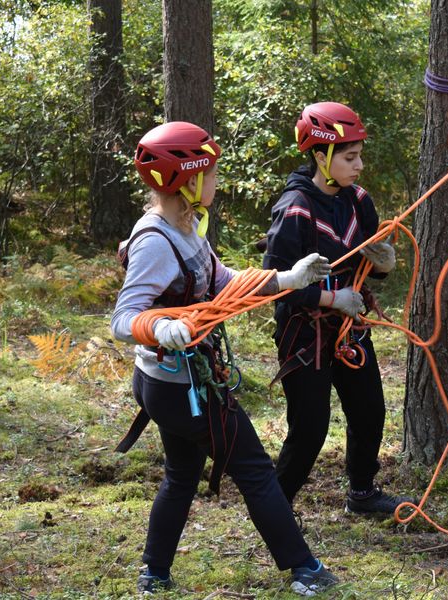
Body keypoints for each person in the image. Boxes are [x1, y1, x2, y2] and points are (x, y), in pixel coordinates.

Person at [111, 121, 339, 596]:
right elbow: (123, 317)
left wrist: (288, 278)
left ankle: (154, 573)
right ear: (189, 178)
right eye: (210, 172)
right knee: (255, 469)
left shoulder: (187, 228)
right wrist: (161, 327)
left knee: (181, 475)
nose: (217, 181)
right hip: (181, 386)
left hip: (170, 383)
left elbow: (224, 282)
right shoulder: (156, 240)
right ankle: (305, 569)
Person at [262, 102, 412, 515]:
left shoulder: (359, 202)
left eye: (359, 155)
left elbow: (364, 264)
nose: (359, 165)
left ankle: (361, 492)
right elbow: (273, 285)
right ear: (320, 156)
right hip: (305, 332)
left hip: (350, 328)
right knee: (309, 430)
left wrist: (380, 266)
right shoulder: (294, 210)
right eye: (349, 157)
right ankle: (275, 509)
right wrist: (331, 299)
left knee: (370, 412)